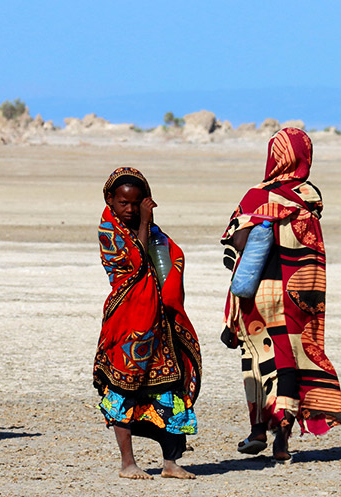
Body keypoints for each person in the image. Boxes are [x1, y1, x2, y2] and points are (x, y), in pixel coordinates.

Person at [220, 128, 341, 462]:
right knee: (289, 360)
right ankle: (282, 440)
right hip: (296, 295)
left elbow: (235, 247)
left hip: (256, 295)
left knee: (257, 359)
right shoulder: (309, 200)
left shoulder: (255, 197)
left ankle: (259, 429)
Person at [95, 167, 202, 479]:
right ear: (110, 200)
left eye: (136, 202)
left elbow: (168, 259)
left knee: (169, 385)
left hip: (158, 321)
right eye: (123, 203)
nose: (128, 209)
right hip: (128, 321)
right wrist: (144, 222)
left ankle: (171, 462)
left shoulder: (151, 231)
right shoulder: (109, 231)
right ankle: (128, 464)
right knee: (124, 387)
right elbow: (139, 262)